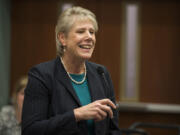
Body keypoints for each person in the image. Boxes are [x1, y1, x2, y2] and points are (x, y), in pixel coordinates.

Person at [22, 6, 120, 135]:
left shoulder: (101, 73)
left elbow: (113, 128)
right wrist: (76, 114)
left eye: (92, 32)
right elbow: (31, 130)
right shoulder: (42, 75)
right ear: (62, 38)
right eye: (81, 31)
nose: (89, 37)